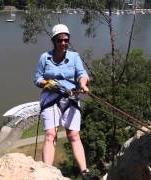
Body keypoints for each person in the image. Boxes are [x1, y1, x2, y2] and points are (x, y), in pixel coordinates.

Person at [34, 24, 91, 178]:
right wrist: (46, 83)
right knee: (50, 135)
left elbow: (82, 73)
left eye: (66, 40)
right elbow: (37, 78)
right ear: (54, 41)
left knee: (74, 135)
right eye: (60, 40)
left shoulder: (74, 57)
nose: (64, 43)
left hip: (70, 97)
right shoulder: (44, 58)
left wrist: (83, 84)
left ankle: (85, 172)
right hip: (50, 98)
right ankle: (47, 172)